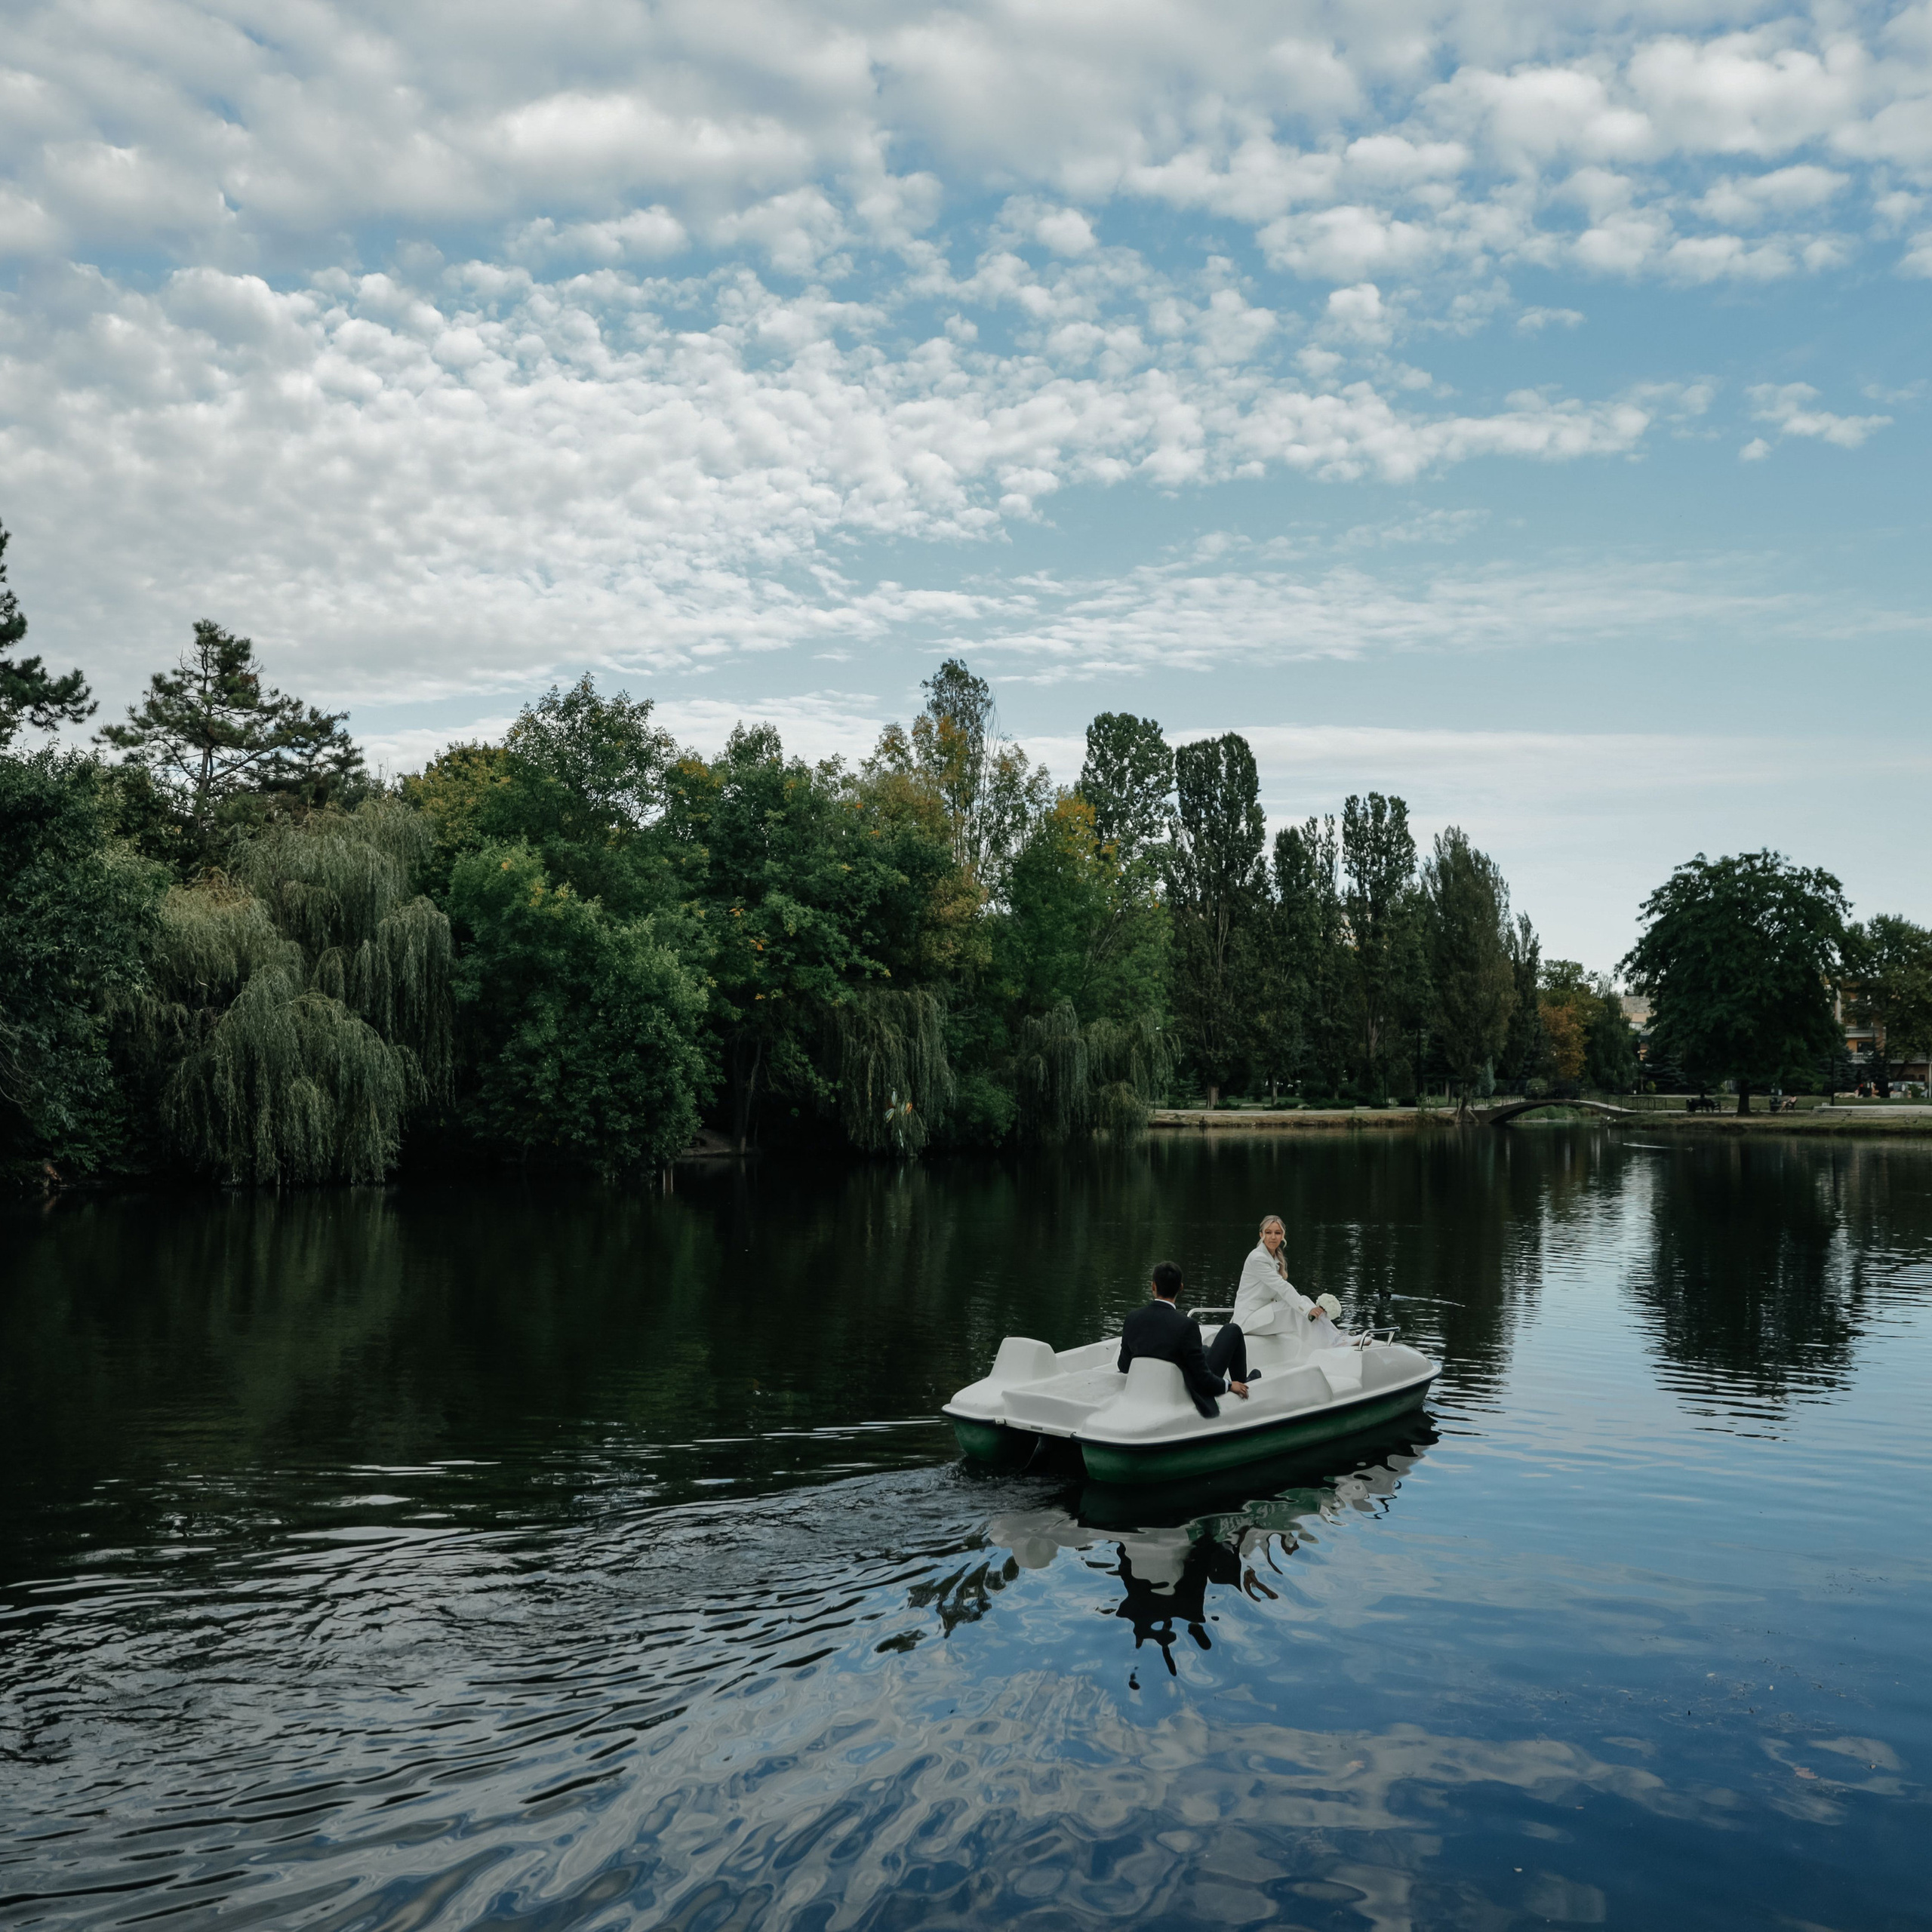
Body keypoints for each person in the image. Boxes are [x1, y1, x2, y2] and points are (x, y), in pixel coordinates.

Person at [1118, 1262, 1249, 1417]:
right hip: (1188, 1383)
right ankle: (1243, 1383)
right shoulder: (1186, 1325)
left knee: (1204, 1349)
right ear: (1181, 1287)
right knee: (1232, 1330)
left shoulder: (1132, 1318)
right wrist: (1228, 1385)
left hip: (1153, 1383)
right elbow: (1203, 1379)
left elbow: (1124, 1365)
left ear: (1153, 1286)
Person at [1233, 1214, 1340, 1355]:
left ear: (1283, 1235)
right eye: (1268, 1232)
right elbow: (1282, 1287)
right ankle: (1331, 1343)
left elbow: (1280, 1293)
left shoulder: (1274, 1258)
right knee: (1297, 1309)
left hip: (1261, 1314)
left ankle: (1336, 1336)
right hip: (1248, 1320)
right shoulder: (1257, 1258)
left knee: (1305, 1300)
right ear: (1261, 1234)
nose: (1273, 1237)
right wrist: (1307, 1310)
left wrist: (1308, 1307)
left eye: (1277, 1233)